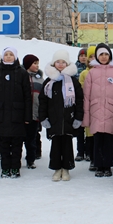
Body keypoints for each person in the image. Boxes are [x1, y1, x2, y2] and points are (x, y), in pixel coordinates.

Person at [38, 50, 84, 182]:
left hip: (68, 118)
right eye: (58, 62)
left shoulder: (73, 82)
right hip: (54, 119)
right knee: (56, 145)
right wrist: (43, 117)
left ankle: (66, 168)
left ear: (67, 64)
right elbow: (43, 101)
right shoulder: (49, 82)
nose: (61, 64)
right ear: (54, 64)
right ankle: (57, 168)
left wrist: (78, 117)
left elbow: (79, 100)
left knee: (67, 144)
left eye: (63, 62)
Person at [0, 46, 32, 178]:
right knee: (4, 144)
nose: (8, 56)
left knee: (17, 144)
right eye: (6, 54)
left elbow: (27, 96)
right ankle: (5, 168)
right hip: (1, 115)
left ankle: (15, 168)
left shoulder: (22, 73)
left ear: (15, 57)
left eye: (11, 54)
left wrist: (27, 116)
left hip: (17, 115)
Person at [83, 43, 113, 177]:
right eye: (101, 54)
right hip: (95, 110)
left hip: (111, 110)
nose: (104, 57)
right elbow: (86, 95)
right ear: (97, 56)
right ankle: (98, 165)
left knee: (109, 140)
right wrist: (86, 115)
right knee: (98, 139)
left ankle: (107, 166)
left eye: (106, 54)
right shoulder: (92, 72)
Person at [23, 54, 43, 169]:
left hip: (35, 112)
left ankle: (31, 160)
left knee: (32, 138)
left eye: (37, 63)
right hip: (23, 114)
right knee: (21, 138)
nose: (36, 66)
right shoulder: (21, 76)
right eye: (34, 63)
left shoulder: (40, 78)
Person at [79, 46, 97, 171]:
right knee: (90, 133)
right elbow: (81, 90)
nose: (93, 59)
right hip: (89, 106)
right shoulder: (84, 73)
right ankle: (91, 157)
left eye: (94, 56)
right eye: (90, 56)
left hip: (101, 107)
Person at [74, 48, 88, 161]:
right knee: (79, 128)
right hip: (78, 101)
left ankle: (88, 150)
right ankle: (80, 151)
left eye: (85, 55)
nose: (83, 57)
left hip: (88, 100)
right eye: (81, 55)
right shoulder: (74, 69)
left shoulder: (91, 69)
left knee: (88, 128)